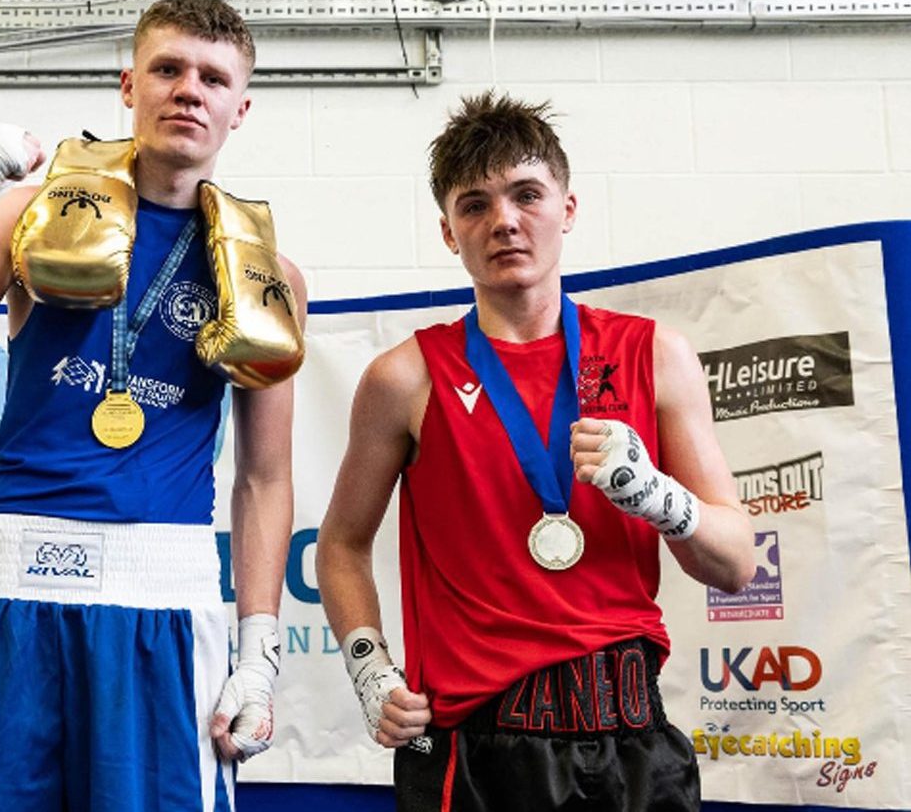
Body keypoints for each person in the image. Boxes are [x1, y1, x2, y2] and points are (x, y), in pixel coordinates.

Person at [0, 0, 306, 812]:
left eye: (212, 77)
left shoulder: (266, 275)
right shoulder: (34, 216)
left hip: (165, 611)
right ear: (126, 84)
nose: (188, 90)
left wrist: (258, 652)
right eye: (167, 68)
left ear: (239, 108)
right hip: (18, 598)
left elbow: (263, 478)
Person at [315, 91, 754, 811]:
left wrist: (659, 498)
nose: (504, 221)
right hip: (474, 746)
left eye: (525, 194)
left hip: (632, 736)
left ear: (568, 208)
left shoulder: (654, 355)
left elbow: (735, 560)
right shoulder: (405, 376)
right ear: (449, 232)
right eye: (474, 204)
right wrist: (369, 669)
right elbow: (340, 542)